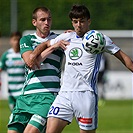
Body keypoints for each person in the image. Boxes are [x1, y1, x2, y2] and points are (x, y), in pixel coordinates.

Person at [29, 4, 133, 133]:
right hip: (65, 94)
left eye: (82, 21)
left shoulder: (99, 39)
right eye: (75, 21)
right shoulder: (67, 37)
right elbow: (45, 43)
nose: (78, 25)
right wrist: (34, 54)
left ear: (89, 21)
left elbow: (123, 57)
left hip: (86, 95)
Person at [7, 7, 68, 133]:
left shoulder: (60, 39)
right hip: (26, 97)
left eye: (49, 19)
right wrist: (50, 46)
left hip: (48, 96)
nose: (47, 22)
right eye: (43, 19)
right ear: (34, 22)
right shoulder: (27, 39)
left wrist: (74, 33)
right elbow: (30, 62)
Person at [0, 32, 25, 111]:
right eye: (14, 40)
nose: (16, 42)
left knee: (20, 113)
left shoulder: (24, 53)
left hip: (22, 90)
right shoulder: (6, 55)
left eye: (18, 40)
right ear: (10, 41)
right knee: (13, 113)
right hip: (11, 91)